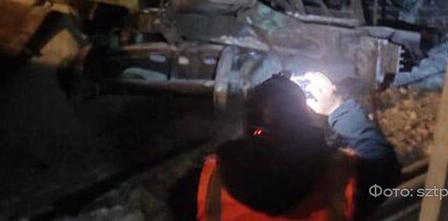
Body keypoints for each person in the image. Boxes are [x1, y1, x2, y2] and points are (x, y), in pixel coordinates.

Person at [169, 73, 400, 221]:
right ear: (302, 122)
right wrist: (337, 108)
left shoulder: (201, 186)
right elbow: (382, 161)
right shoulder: (341, 176)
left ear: (250, 125)